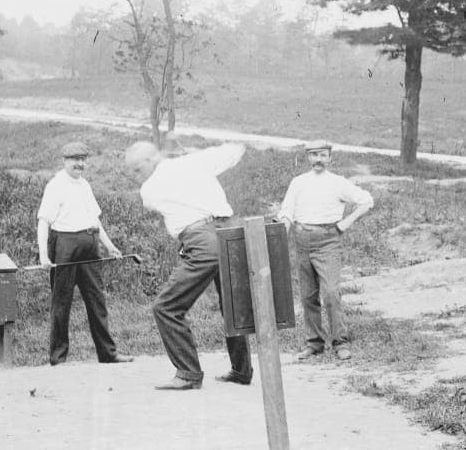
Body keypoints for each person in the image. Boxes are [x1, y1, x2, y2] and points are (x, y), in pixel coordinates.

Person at [124, 136, 253, 391]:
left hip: (202, 240)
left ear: (152, 158)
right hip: (231, 232)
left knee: (166, 307)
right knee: (232, 306)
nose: (136, 176)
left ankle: (188, 374)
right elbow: (235, 150)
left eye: (138, 169)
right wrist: (195, 153)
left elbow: (153, 203)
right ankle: (241, 371)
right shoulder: (196, 161)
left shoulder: (149, 189)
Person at [37, 140, 134, 365]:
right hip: (65, 246)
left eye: (82, 160)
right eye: (75, 160)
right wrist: (43, 255)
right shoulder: (55, 185)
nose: (79, 164)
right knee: (61, 303)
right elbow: (43, 222)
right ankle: (58, 358)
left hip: (90, 247)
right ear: (65, 161)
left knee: (97, 300)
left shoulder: (85, 185)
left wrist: (109, 245)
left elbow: (94, 219)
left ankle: (108, 354)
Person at [277, 139, 374, 361]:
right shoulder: (298, 182)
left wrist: (345, 223)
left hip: (328, 241)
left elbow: (367, 201)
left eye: (322, 155)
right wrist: (281, 234)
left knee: (330, 292)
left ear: (330, 158)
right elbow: (287, 212)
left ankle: (340, 342)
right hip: (302, 240)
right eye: (314, 155)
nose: (318, 160)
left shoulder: (338, 182)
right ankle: (314, 343)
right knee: (308, 295)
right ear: (308, 157)